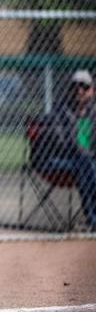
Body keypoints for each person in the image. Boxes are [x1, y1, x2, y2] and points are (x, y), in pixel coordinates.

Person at [34, 70, 96, 230]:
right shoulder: (60, 111)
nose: (79, 91)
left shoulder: (92, 113)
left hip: (82, 161)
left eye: (84, 86)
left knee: (87, 164)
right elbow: (62, 145)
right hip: (52, 161)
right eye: (74, 86)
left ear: (92, 90)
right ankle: (92, 218)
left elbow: (89, 145)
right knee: (86, 165)